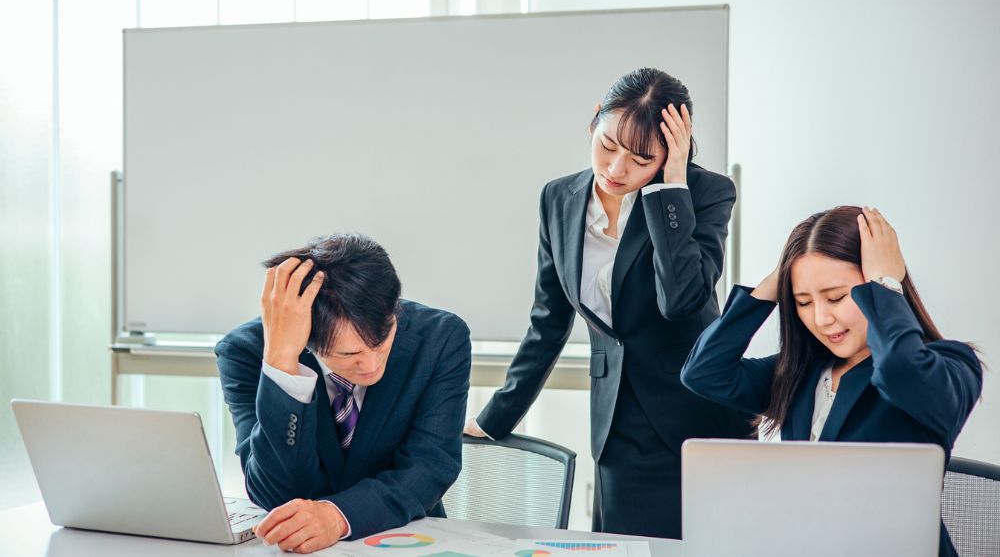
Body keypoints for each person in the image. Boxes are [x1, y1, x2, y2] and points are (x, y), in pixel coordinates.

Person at [464, 67, 754, 539]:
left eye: (642, 159)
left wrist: (670, 188)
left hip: (697, 418)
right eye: (608, 145)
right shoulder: (559, 198)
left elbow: (681, 300)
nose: (617, 169)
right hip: (618, 424)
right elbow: (548, 321)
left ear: (672, 152)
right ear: (594, 119)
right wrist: (497, 415)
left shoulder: (706, 193)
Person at [680, 206, 982, 557]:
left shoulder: (949, 366)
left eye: (836, 297)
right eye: (804, 302)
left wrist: (887, 283)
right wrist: (773, 284)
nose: (821, 318)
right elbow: (704, 372)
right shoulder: (801, 372)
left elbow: (900, 370)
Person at [216, 234, 471, 554]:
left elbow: (430, 467)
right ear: (307, 339)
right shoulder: (245, 352)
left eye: (381, 342)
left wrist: (339, 516)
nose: (371, 365)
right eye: (348, 354)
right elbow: (273, 494)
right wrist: (282, 363)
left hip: (405, 538)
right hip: (298, 549)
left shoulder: (440, 338)